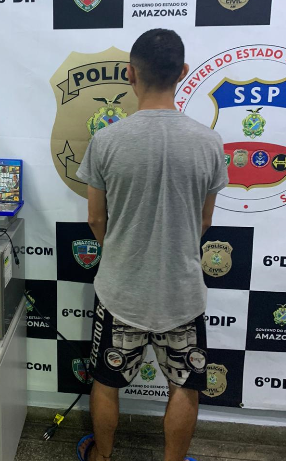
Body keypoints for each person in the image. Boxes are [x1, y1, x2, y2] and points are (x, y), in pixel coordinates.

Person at [75, 29, 229, 461]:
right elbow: (204, 220)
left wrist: (120, 250)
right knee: (185, 385)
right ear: (182, 72)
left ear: (130, 74)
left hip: (121, 290)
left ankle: (103, 457)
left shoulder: (106, 141)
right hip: (182, 293)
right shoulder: (209, 142)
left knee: (107, 382)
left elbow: (95, 219)